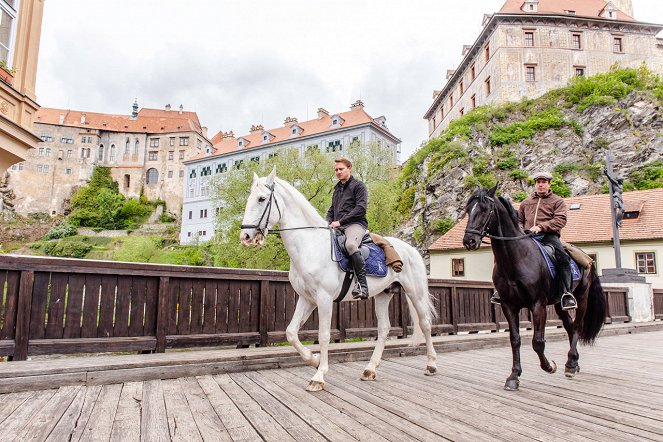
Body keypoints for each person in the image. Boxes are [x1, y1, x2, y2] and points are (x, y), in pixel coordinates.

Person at [491, 172, 577, 310]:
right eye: (538, 182)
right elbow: (518, 221)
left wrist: (541, 227)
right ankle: (501, 291)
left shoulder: (557, 201)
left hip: (549, 236)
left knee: (563, 258)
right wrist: (520, 229)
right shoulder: (526, 203)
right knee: (504, 256)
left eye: (543, 182)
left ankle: (566, 293)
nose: (540, 184)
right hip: (527, 236)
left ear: (549, 184)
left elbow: (560, 220)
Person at [326, 157, 369, 299]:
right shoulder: (337, 189)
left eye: (341, 169)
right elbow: (332, 210)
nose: (338, 172)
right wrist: (326, 223)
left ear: (349, 168)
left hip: (355, 224)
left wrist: (340, 222)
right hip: (338, 226)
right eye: (336, 170)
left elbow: (360, 209)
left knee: (350, 245)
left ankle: (363, 286)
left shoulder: (359, 186)